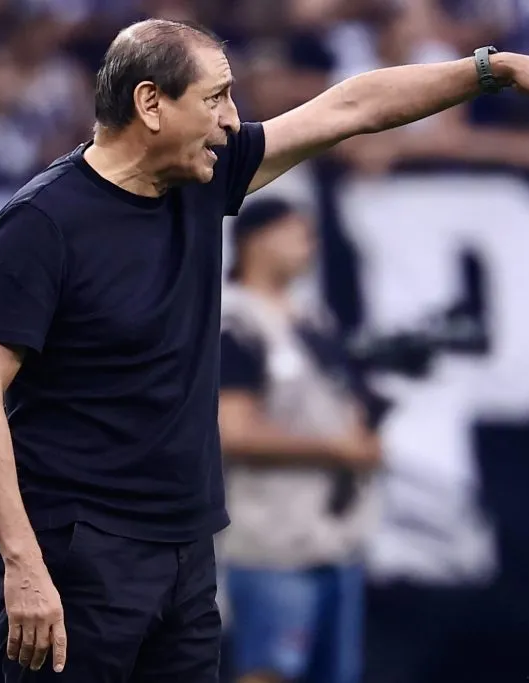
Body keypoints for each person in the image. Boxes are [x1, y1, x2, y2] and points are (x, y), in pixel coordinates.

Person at [0, 18, 529, 683]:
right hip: (76, 556)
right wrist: (24, 562)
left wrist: (490, 69)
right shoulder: (41, 225)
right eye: (215, 98)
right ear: (149, 103)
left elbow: (352, 106)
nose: (234, 120)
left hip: (185, 550)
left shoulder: (202, 180)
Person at [217, 198, 379, 683]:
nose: (309, 245)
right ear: (256, 240)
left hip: (334, 537)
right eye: (296, 233)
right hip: (270, 540)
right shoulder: (235, 320)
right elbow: (233, 430)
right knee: (270, 672)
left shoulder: (312, 317)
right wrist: (334, 449)